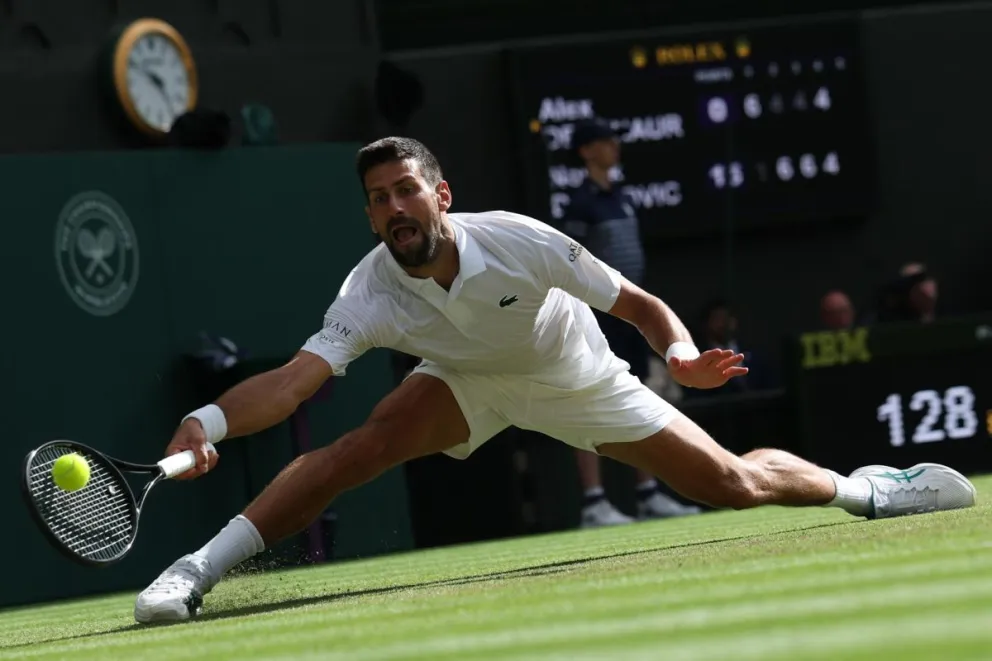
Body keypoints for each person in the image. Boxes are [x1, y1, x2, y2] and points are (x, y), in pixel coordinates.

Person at [133, 137, 977, 624]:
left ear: (441, 195)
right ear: (368, 214)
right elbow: (291, 384)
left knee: (733, 482)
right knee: (354, 451)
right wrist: (207, 418)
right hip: (464, 378)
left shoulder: (521, 239)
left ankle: (868, 489)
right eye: (377, 199)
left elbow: (641, 304)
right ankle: (195, 571)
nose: (393, 209)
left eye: (405, 190)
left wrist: (679, 356)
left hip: (577, 375)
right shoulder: (371, 287)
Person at [562, 118, 699, 526]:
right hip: (597, 316)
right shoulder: (578, 205)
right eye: (604, 141)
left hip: (629, 317)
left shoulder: (621, 197)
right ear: (586, 151)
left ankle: (647, 494)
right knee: (586, 400)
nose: (613, 146)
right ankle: (593, 502)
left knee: (639, 396)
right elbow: (570, 262)